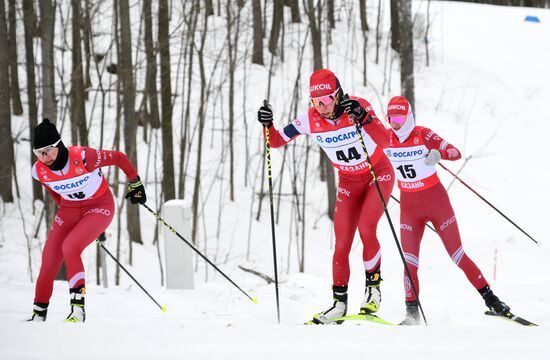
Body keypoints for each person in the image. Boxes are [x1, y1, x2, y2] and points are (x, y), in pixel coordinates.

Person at [257, 69, 394, 324]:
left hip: (378, 174)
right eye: (316, 102)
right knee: (341, 244)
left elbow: (386, 141)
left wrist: (364, 118)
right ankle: (339, 304)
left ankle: (373, 291)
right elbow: (275, 141)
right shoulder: (309, 119)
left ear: (338, 94)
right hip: (349, 183)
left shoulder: (358, 107)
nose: (321, 107)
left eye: (327, 100)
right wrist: (267, 124)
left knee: (366, 228)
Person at [383, 96, 510, 325]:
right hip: (409, 208)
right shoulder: (386, 138)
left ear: (409, 116)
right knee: (409, 262)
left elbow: (454, 152)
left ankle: (493, 301)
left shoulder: (422, 134)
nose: (395, 123)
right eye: (391, 118)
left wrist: (438, 154)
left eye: (400, 118)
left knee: (457, 255)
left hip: (436, 202)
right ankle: (411, 315)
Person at [28, 119, 146, 323]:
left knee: (70, 246)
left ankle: (78, 311)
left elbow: (119, 158)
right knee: (49, 259)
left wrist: (135, 183)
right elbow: (53, 191)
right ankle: (39, 314)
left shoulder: (83, 157)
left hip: (100, 206)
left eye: (47, 150)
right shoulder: (38, 171)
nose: (44, 157)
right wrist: (69, 212)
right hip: (69, 210)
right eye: (38, 152)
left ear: (58, 145)